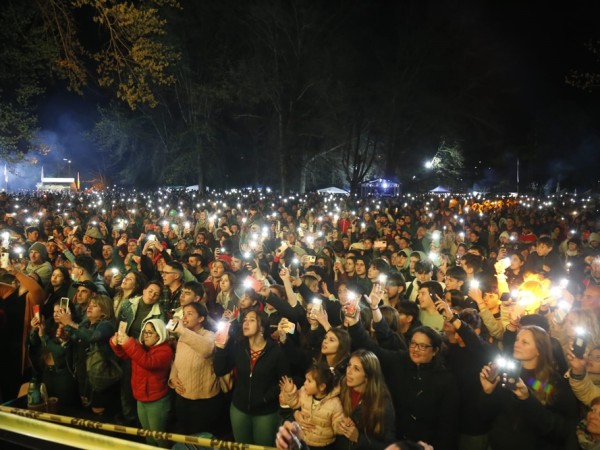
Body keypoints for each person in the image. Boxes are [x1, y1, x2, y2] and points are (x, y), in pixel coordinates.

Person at [347, 292, 459, 450]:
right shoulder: (399, 360)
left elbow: (447, 425)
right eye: (413, 344)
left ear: (434, 351)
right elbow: (372, 348)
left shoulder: (446, 380)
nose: (415, 349)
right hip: (396, 442)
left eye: (422, 346)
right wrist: (353, 322)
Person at [479, 325, 579, 450]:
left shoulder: (552, 383)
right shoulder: (506, 373)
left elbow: (562, 427)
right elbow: (484, 417)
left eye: (524, 342)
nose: (517, 344)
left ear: (539, 350)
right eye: (517, 340)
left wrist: (527, 399)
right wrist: (487, 392)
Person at [214, 310, 290, 446]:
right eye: (244, 320)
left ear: (262, 327)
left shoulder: (275, 351)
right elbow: (220, 370)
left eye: (252, 320)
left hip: (265, 412)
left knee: (263, 446)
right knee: (242, 446)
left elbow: (284, 381)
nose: (245, 323)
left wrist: (266, 398)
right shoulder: (239, 347)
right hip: (239, 409)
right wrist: (220, 349)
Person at [110, 319, 173, 448]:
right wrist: (115, 343)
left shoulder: (165, 351)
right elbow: (124, 354)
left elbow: (147, 361)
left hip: (157, 401)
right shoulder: (141, 347)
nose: (146, 335)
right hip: (141, 398)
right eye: (145, 332)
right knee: (148, 436)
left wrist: (128, 343)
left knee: (159, 438)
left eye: (150, 332)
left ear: (159, 334)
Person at [56, 295, 119, 416]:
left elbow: (92, 337)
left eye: (95, 305)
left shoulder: (107, 325)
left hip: (99, 379)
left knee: (98, 413)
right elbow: (76, 341)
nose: (90, 307)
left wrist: (69, 322)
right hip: (84, 376)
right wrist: (66, 338)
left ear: (104, 311)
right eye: (89, 305)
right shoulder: (85, 324)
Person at [169, 302, 224, 436]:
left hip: (204, 402)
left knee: (201, 439)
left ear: (201, 319)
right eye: (183, 314)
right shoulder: (183, 336)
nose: (184, 318)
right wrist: (173, 378)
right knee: (184, 435)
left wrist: (182, 330)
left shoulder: (210, 335)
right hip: (182, 397)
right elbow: (178, 360)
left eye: (189, 314)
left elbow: (207, 349)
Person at [334, 349, 396, 450]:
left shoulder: (382, 403)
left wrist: (359, 438)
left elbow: (389, 447)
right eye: (349, 365)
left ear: (368, 376)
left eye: (356, 369)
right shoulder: (340, 387)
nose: (349, 371)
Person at [28, 301, 80, 410]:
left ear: (68, 313)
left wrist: (43, 336)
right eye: (54, 311)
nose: (56, 314)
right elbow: (34, 343)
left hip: (63, 375)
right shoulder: (50, 325)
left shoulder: (71, 329)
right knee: (48, 408)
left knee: (64, 409)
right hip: (48, 373)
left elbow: (59, 351)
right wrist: (35, 329)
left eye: (59, 311)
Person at [279, 362, 344, 450]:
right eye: (305, 379)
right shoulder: (304, 392)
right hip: (303, 441)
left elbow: (337, 425)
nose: (305, 383)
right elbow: (294, 403)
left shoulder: (335, 404)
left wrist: (343, 425)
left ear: (321, 387)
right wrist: (290, 391)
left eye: (309, 381)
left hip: (323, 446)